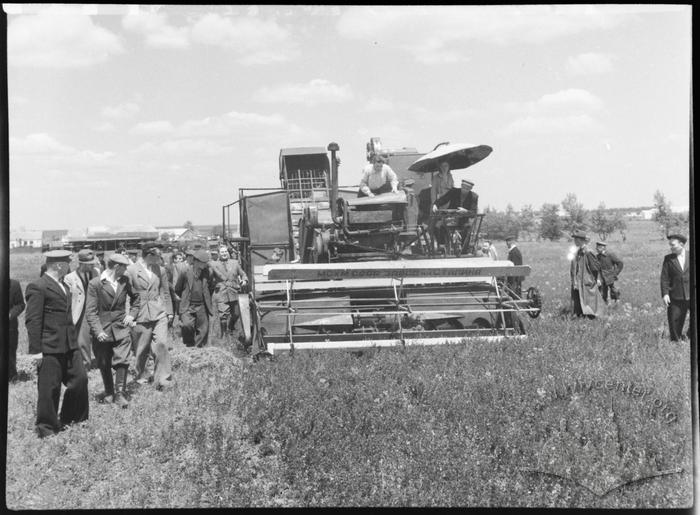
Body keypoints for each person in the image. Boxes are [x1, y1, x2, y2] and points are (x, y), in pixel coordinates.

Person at [25, 250, 89, 437]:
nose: (70, 266)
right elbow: (33, 320)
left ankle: (73, 419)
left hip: (69, 345)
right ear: (59, 265)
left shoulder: (64, 286)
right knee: (49, 389)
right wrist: (36, 351)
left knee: (80, 380)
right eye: (67, 263)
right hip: (49, 347)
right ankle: (47, 428)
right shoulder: (38, 286)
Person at [85, 253, 138, 407]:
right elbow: (91, 311)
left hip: (121, 327)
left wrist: (131, 315)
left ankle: (120, 394)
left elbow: (137, 298)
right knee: (103, 361)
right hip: (103, 329)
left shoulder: (125, 281)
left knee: (123, 360)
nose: (126, 270)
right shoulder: (96, 283)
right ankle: (109, 392)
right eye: (124, 267)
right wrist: (98, 330)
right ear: (116, 266)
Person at [125, 242, 174, 390]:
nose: (160, 258)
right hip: (139, 313)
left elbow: (165, 292)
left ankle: (163, 379)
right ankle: (142, 375)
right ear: (149, 255)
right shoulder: (130, 271)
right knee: (141, 348)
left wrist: (169, 311)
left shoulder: (161, 270)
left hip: (159, 312)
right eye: (158, 255)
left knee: (161, 344)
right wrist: (129, 316)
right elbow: (126, 295)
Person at [63, 249, 100, 370]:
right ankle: (85, 365)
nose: (93, 265)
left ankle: (101, 363)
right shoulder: (69, 278)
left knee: (99, 338)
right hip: (81, 313)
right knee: (83, 341)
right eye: (90, 264)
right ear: (82, 263)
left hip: (95, 311)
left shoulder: (96, 272)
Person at [175, 249, 213, 348]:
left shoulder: (208, 272)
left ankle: (198, 350)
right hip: (188, 305)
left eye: (206, 262)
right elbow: (178, 288)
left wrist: (207, 300)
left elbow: (210, 288)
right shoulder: (185, 272)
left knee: (203, 329)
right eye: (203, 262)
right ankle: (189, 345)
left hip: (202, 305)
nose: (205, 264)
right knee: (187, 325)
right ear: (196, 261)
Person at [209, 245, 249, 339]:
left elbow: (243, 274)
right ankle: (224, 336)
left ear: (228, 253)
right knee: (223, 315)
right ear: (219, 254)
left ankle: (230, 327)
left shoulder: (234, 263)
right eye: (222, 252)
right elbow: (210, 278)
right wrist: (214, 284)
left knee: (236, 314)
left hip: (234, 292)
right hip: (221, 292)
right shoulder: (214, 265)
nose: (224, 254)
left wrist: (244, 280)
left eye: (225, 252)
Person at [431, 179, 479, 248]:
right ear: (461, 186)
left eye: (467, 188)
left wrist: (466, 211)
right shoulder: (454, 191)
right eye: (464, 187)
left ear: (471, 189)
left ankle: (464, 250)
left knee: (467, 228)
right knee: (439, 226)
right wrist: (436, 204)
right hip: (451, 218)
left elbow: (474, 212)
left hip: (463, 221)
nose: (465, 190)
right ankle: (442, 246)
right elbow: (444, 199)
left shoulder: (474, 196)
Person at [660, 234, 690, 342]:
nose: (670, 247)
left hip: (691, 294)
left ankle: (689, 336)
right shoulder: (668, 259)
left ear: (681, 244)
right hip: (675, 295)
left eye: (673, 245)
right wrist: (665, 293)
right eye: (670, 245)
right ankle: (676, 341)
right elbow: (664, 278)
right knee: (674, 319)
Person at [569, 229, 604, 319]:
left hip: (587, 281)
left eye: (576, 239)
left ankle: (592, 317)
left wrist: (596, 279)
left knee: (590, 300)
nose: (574, 241)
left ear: (580, 240)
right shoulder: (579, 251)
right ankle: (581, 316)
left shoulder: (588, 252)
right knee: (579, 299)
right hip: (580, 281)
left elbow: (595, 267)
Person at [8, 278, 26, 382]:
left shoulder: (14, 284)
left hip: (10, 327)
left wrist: (10, 314)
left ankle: (11, 377)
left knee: (10, 352)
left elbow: (20, 304)